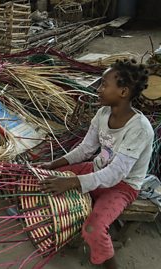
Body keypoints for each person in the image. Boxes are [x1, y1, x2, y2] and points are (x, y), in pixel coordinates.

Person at [38, 59, 154, 269]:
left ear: (123, 92)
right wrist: (52, 165)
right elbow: (85, 150)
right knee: (48, 178)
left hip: (123, 187)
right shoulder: (103, 114)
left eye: (104, 84)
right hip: (97, 170)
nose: (99, 89)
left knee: (93, 229)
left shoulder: (140, 129)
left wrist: (74, 182)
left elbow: (117, 174)